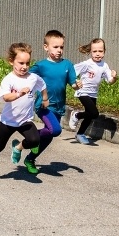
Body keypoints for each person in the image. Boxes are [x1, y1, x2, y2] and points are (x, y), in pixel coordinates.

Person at [0, 43, 51, 179]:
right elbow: (6, 97)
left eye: (27, 63)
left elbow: (42, 85)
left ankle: (18, 148)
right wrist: (19, 94)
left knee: (34, 140)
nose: (24, 67)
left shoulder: (33, 78)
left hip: (25, 120)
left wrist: (45, 99)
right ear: (11, 61)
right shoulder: (9, 79)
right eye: (20, 63)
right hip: (8, 121)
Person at [24, 30, 84, 171]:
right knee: (55, 130)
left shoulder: (67, 65)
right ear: (46, 47)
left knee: (49, 135)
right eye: (55, 47)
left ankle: (30, 159)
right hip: (44, 105)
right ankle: (30, 140)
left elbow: (73, 85)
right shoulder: (41, 66)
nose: (59, 50)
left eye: (61, 47)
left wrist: (77, 85)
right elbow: (26, 76)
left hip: (59, 106)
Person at [68, 38, 118, 143]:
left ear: (104, 51)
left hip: (93, 94)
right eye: (94, 51)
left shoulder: (104, 66)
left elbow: (110, 81)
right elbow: (71, 71)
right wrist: (75, 81)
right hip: (83, 91)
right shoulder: (87, 64)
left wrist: (114, 77)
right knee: (94, 113)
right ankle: (76, 115)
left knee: (89, 115)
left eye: (100, 51)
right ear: (90, 52)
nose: (97, 54)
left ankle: (80, 134)